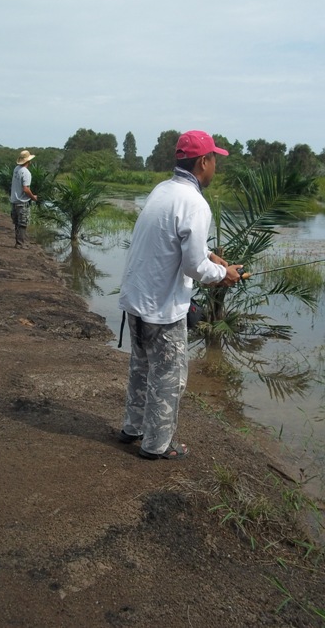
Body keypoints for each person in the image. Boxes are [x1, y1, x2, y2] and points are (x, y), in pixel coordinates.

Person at [118, 130, 244, 460]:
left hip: (136, 300)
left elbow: (176, 244)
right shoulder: (196, 204)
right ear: (203, 161)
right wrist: (223, 274)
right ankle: (157, 445)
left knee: (141, 368)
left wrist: (209, 255)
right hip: (162, 307)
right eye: (214, 158)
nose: (216, 165)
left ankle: (133, 428)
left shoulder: (163, 190)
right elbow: (193, 268)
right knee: (169, 377)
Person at [10, 149, 37, 249]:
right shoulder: (26, 173)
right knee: (22, 223)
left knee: (17, 223)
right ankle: (20, 244)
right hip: (22, 202)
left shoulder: (16, 169)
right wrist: (33, 197)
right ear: (28, 161)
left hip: (14, 201)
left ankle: (18, 242)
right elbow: (26, 189)